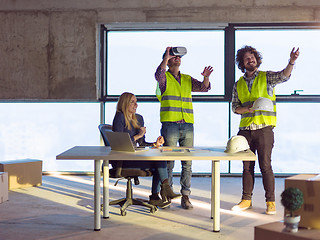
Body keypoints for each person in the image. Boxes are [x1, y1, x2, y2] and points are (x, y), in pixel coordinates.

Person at [231, 45, 300, 215]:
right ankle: (246, 200)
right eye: (247, 58)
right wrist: (246, 109)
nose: (250, 59)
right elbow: (235, 108)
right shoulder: (238, 84)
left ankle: (270, 202)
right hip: (245, 131)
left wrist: (291, 61)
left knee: (265, 166)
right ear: (242, 63)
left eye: (252, 57)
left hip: (264, 129)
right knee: (247, 167)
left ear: (257, 59)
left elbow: (284, 76)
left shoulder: (266, 77)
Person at [155, 46, 213, 209]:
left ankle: (185, 196)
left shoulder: (187, 79)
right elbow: (158, 74)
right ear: (167, 60)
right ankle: (167, 194)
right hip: (170, 125)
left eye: (178, 57)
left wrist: (206, 78)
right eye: (174, 57)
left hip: (187, 125)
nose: (177, 58)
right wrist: (166, 57)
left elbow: (204, 88)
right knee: (169, 163)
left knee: (187, 163)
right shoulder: (164, 78)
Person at [112, 92, 180, 209]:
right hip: (124, 160)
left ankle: (159, 193)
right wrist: (138, 135)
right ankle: (159, 194)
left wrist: (155, 144)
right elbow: (121, 144)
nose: (136, 105)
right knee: (159, 161)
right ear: (125, 103)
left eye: (136, 102)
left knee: (161, 159)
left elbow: (142, 143)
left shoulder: (138, 118)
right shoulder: (120, 117)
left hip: (135, 156)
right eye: (132, 102)